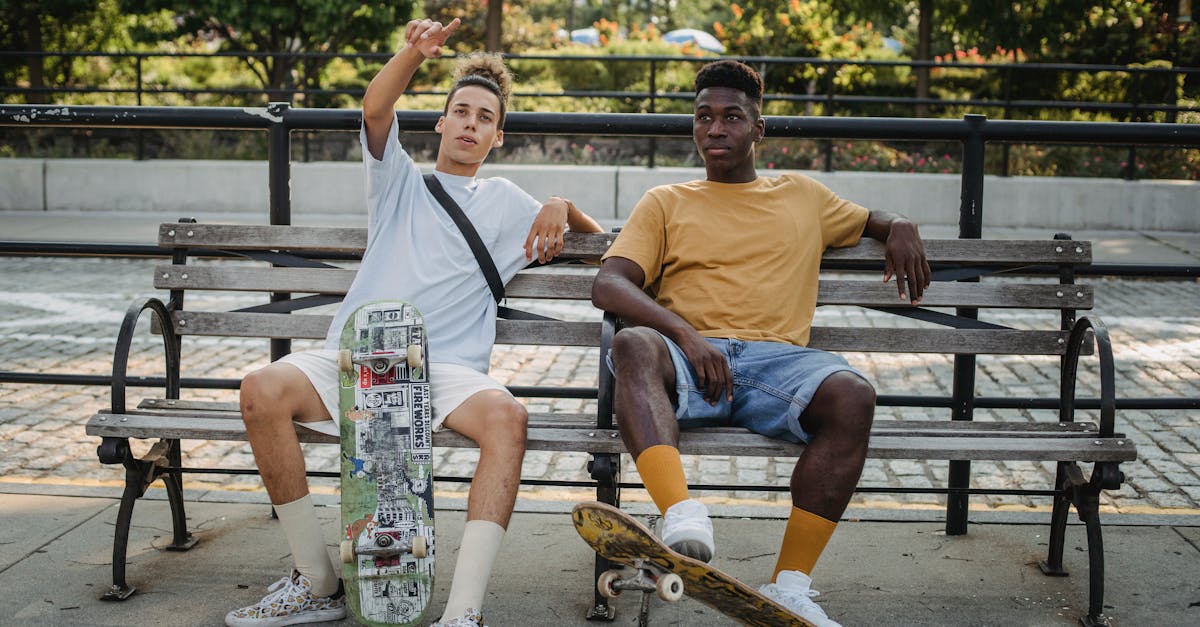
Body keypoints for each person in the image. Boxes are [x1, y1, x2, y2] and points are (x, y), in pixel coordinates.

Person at [226, 18, 602, 627]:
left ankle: (463, 612)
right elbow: (376, 109)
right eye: (462, 112)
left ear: (497, 137)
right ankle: (317, 582)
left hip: (442, 371)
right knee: (259, 390)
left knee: (508, 419)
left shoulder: (509, 204)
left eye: (485, 117)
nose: (471, 124)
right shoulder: (397, 181)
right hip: (357, 358)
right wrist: (413, 54)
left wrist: (562, 204)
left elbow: (601, 247)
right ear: (441, 123)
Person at [590, 59, 930, 627]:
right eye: (704, 117)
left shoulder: (802, 195)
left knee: (852, 394)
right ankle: (681, 515)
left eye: (732, 117)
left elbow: (873, 219)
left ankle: (790, 588)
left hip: (780, 365)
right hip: (689, 358)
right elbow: (609, 284)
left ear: (758, 128)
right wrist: (687, 336)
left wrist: (900, 225)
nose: (715, 128)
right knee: (632, 346)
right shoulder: (665, 200)